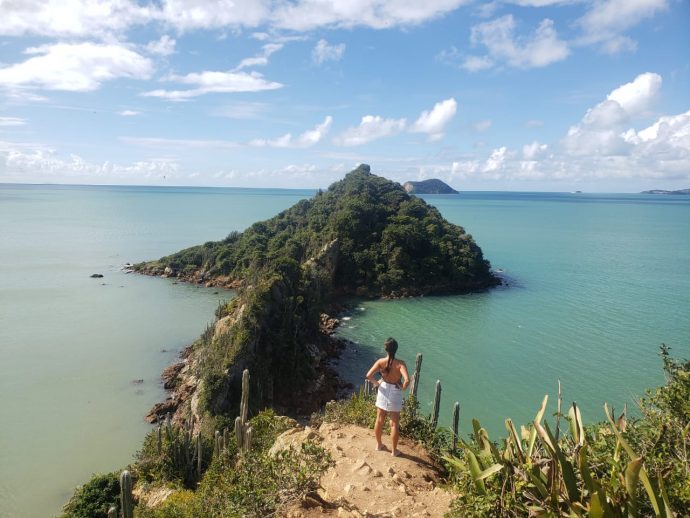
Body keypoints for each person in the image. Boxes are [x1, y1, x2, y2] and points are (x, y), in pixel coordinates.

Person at [365, 337, 410, 457]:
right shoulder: (400, 364)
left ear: (386, 349)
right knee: (394, 423)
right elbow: (407, 380)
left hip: (383, 389)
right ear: (396, 349)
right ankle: (394, 451)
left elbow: (368, 375)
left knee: (379, 419)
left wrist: (377, 383)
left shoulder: (380, 362)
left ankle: (379, 445)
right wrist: (403, 388)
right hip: (395, 391)